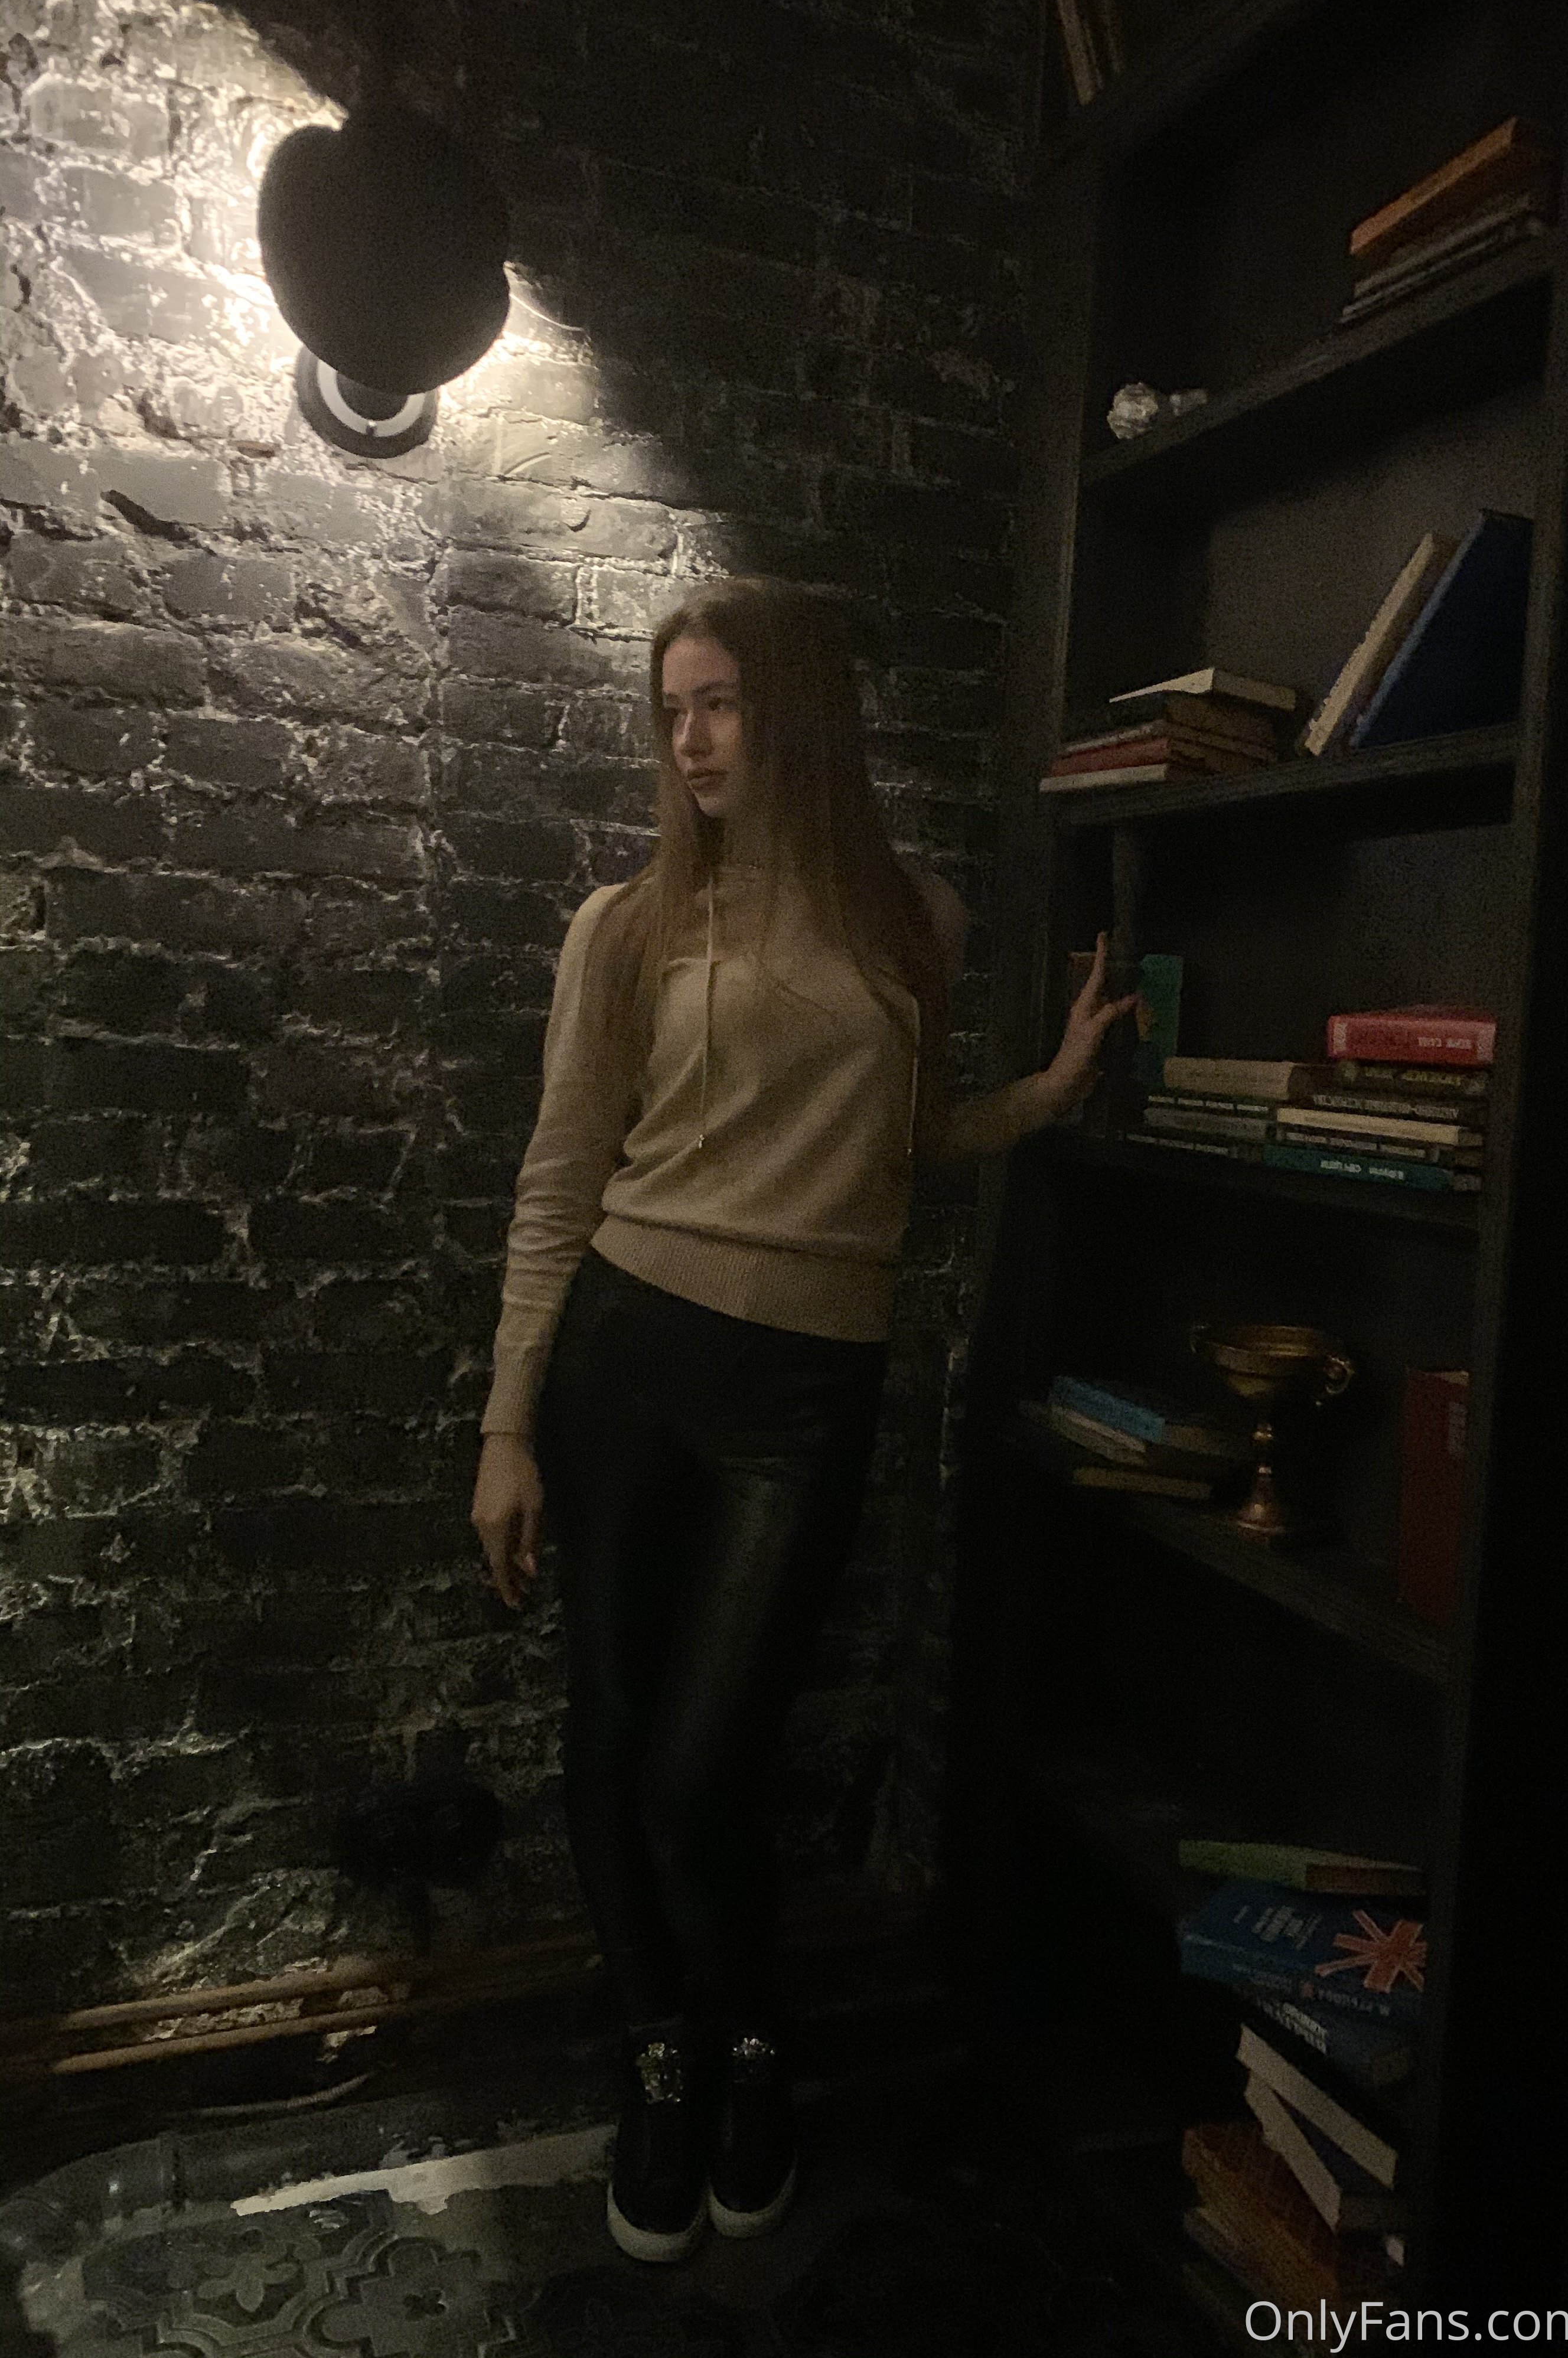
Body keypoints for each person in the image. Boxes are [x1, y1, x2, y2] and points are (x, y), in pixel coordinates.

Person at [470, 576, 1135, 2266]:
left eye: (721, 704)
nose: (690, 741)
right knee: (614, 1734)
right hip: (629, 1353)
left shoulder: (915, 920)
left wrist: (1041, 1099)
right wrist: (506, 1429)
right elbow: (560, 1179)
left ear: (801, 715)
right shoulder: (628, 927)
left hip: (807, 1389)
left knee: (706, 1763)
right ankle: (664, 2054)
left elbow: (885, 1146)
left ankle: (752, 2033)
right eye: (672, 712)